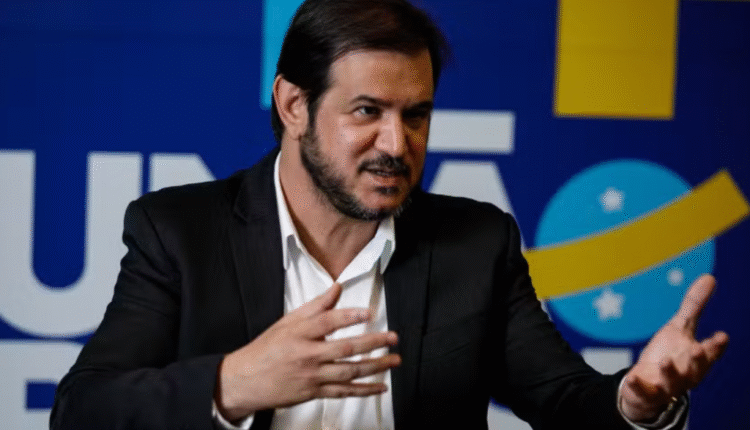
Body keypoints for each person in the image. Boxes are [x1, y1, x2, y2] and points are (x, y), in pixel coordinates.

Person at [50, 0, 729, 429]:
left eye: (417, 115)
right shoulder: (180, 232)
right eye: (368, 111)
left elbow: (564, 399)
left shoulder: (476, 243)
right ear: (293, 106)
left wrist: (636, 402)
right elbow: (83, 411)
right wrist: (235, 384)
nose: (397, 145)